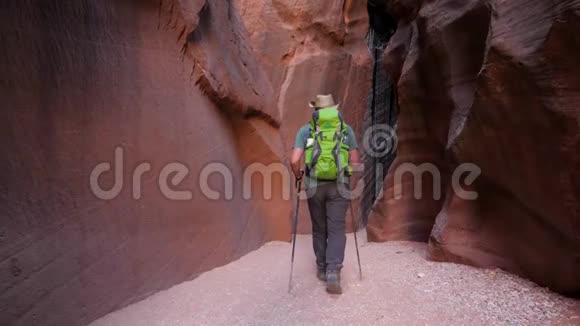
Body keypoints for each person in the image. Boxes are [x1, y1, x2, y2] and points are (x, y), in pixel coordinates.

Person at [290, 94, 361, 294]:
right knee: (337, 228)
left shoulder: (306, 131)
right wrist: (347, 174)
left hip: (314, 186)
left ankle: (321, 268)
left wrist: (299, 176)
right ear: (333, 109)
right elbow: (355, 162)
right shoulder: (346, 130)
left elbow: (295, 160)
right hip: (339, 185)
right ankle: (333, 271)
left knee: (319, 227)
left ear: (315, 111)